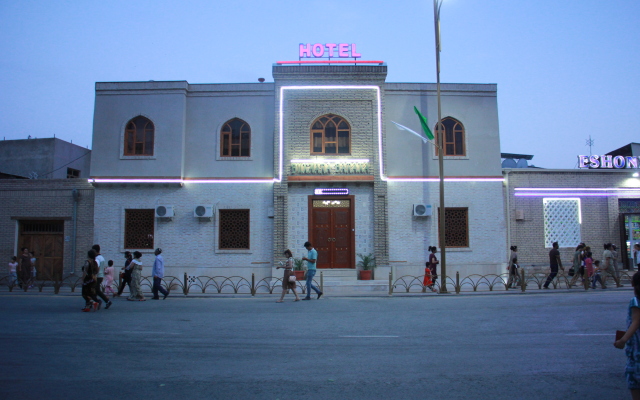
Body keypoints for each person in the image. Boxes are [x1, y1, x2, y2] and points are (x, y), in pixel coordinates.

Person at [614, 271, 640, 399]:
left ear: (632, 284)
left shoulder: (636, 301)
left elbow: (636, 322)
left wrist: (623, 340)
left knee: (635, 386)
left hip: (637, 354)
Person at [92, 245, 112, 309]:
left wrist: (94, 274)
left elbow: (96, 268)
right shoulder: (102, 257)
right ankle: (96, 302)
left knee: (96, 290)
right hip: (100, 275)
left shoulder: (97, 258)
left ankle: (105, 301)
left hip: (97, 276)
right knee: (95, 290)